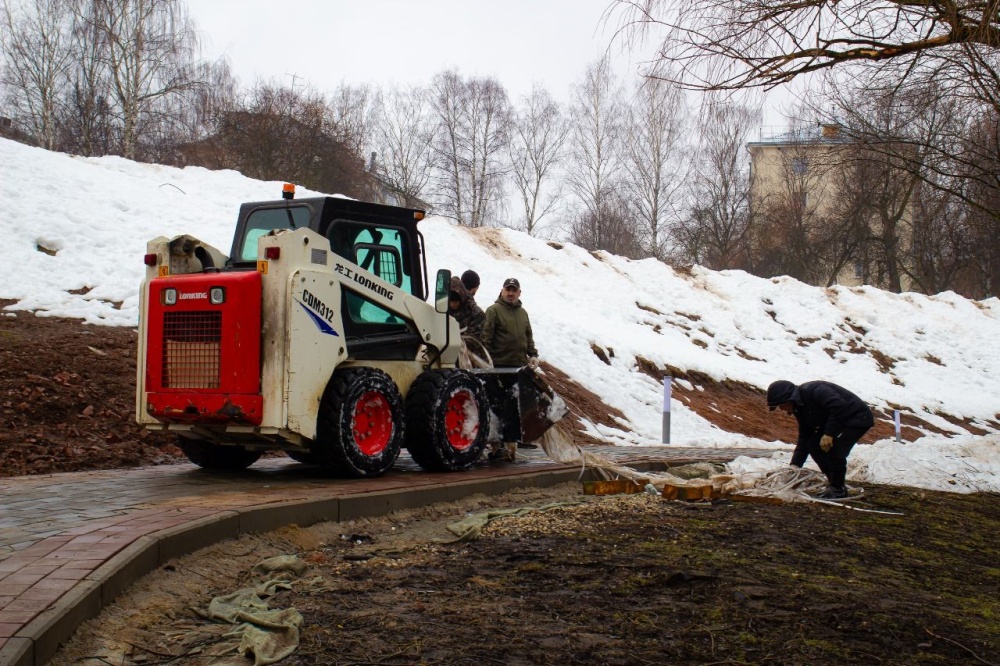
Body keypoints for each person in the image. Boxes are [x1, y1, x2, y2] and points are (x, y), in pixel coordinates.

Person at [766, 379, 875, 499]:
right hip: (836, 422)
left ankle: (837, 490)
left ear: (790, 399)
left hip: (856, 418)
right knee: (813, 444)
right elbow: (805, 436)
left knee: (834, 449)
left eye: (781, 405)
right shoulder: (799, 408)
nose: (781, 409)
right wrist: (795, 465)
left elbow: (839, 406)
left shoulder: (816, 391)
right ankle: (834, 483)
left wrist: (829, 434)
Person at [483, 277, 538, 369]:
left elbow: (528, 337)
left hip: (521, 366)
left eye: (514, 290)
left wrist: (533, 355)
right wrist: (487, 362)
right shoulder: (493, 310)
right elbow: (486, 339)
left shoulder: (523, 313)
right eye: (508, 290)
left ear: (519, 293)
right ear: (502, 291)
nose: (511, 293)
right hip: (500, 366)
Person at [447, 275, 485, 343]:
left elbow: (475, 341)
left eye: (456, 301)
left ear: (462, 299)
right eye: (450, 301)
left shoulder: (476, 313)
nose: (452, 304)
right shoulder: (442, 308)